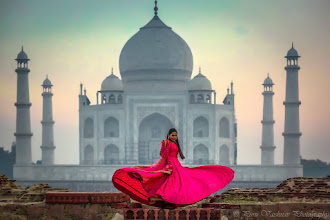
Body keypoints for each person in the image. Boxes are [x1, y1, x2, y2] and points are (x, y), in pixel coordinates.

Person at [112, 128, 235, 208]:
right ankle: (160, 198)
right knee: (170, 182)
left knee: (179, 182)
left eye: (175, 135)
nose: (174, 137)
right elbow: (162, 154)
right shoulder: (165, 143)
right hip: (170, 164)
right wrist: (164, 165)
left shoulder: (175, 144)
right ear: (168, 135)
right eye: (172, 135)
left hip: (176, 164)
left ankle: (163, 199)